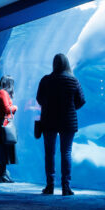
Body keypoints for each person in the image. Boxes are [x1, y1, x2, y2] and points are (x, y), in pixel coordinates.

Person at [36, 53, 85, 196]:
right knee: (66, 153)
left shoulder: (46, 80)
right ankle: (66, 187)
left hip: (48, 120)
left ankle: (50, 186)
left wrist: (49, 106)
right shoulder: (73, 81)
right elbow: (81, 101)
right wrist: (69, 107)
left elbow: (39, 99)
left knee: (49, 153)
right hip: (68, 121)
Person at [0, 75, 17, 183]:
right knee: (3, 149)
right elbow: (7, 109)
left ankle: (2, 174)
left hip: (1, 122)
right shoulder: (3, 93)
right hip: (4, 123)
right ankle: (1, 175)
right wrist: (15, 107)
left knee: (3, 149)